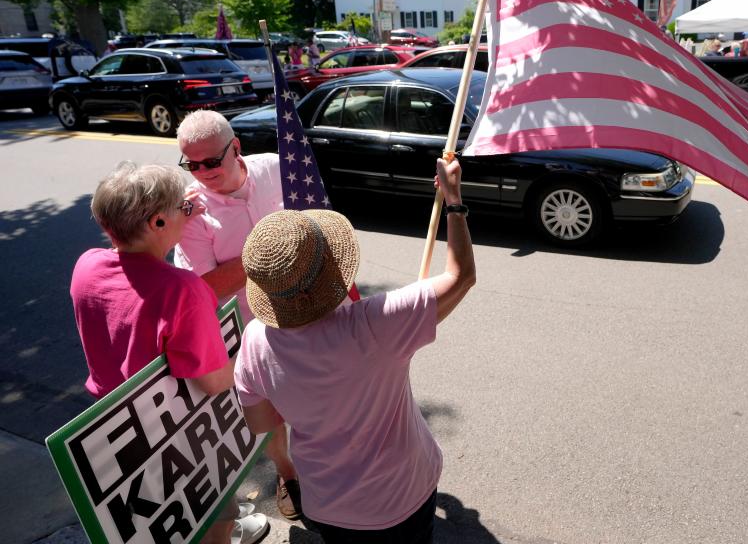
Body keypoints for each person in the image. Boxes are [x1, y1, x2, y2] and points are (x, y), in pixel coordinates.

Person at [234, 157, 476, 543]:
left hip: (327, 505)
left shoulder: (255, 340)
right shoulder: (376, 323)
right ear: (331, 265)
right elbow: (462, 276)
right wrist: (454, 200)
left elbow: (262, 423)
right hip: (404, 498)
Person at [70, 161, 268, 544]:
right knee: (208, 508)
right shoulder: (182, 290)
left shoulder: (86, 266)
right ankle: (223, 531)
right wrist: (254, 352)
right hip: (172, 432)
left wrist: (177, 214)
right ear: (157, 222)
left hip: (114, 428)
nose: (187, 211)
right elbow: (212, 382)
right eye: (181, 207)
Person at [173, 110, 303, 520]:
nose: (202, 172)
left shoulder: (278, 170)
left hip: (301, 309)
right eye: (191, 164)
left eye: (211, 161)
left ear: (237, 148)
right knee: (266, 410)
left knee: (317, 394)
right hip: (248, 328)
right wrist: (269, 251)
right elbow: (206, 290)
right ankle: (288, 474)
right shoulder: (190, 212)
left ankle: (328, 465)